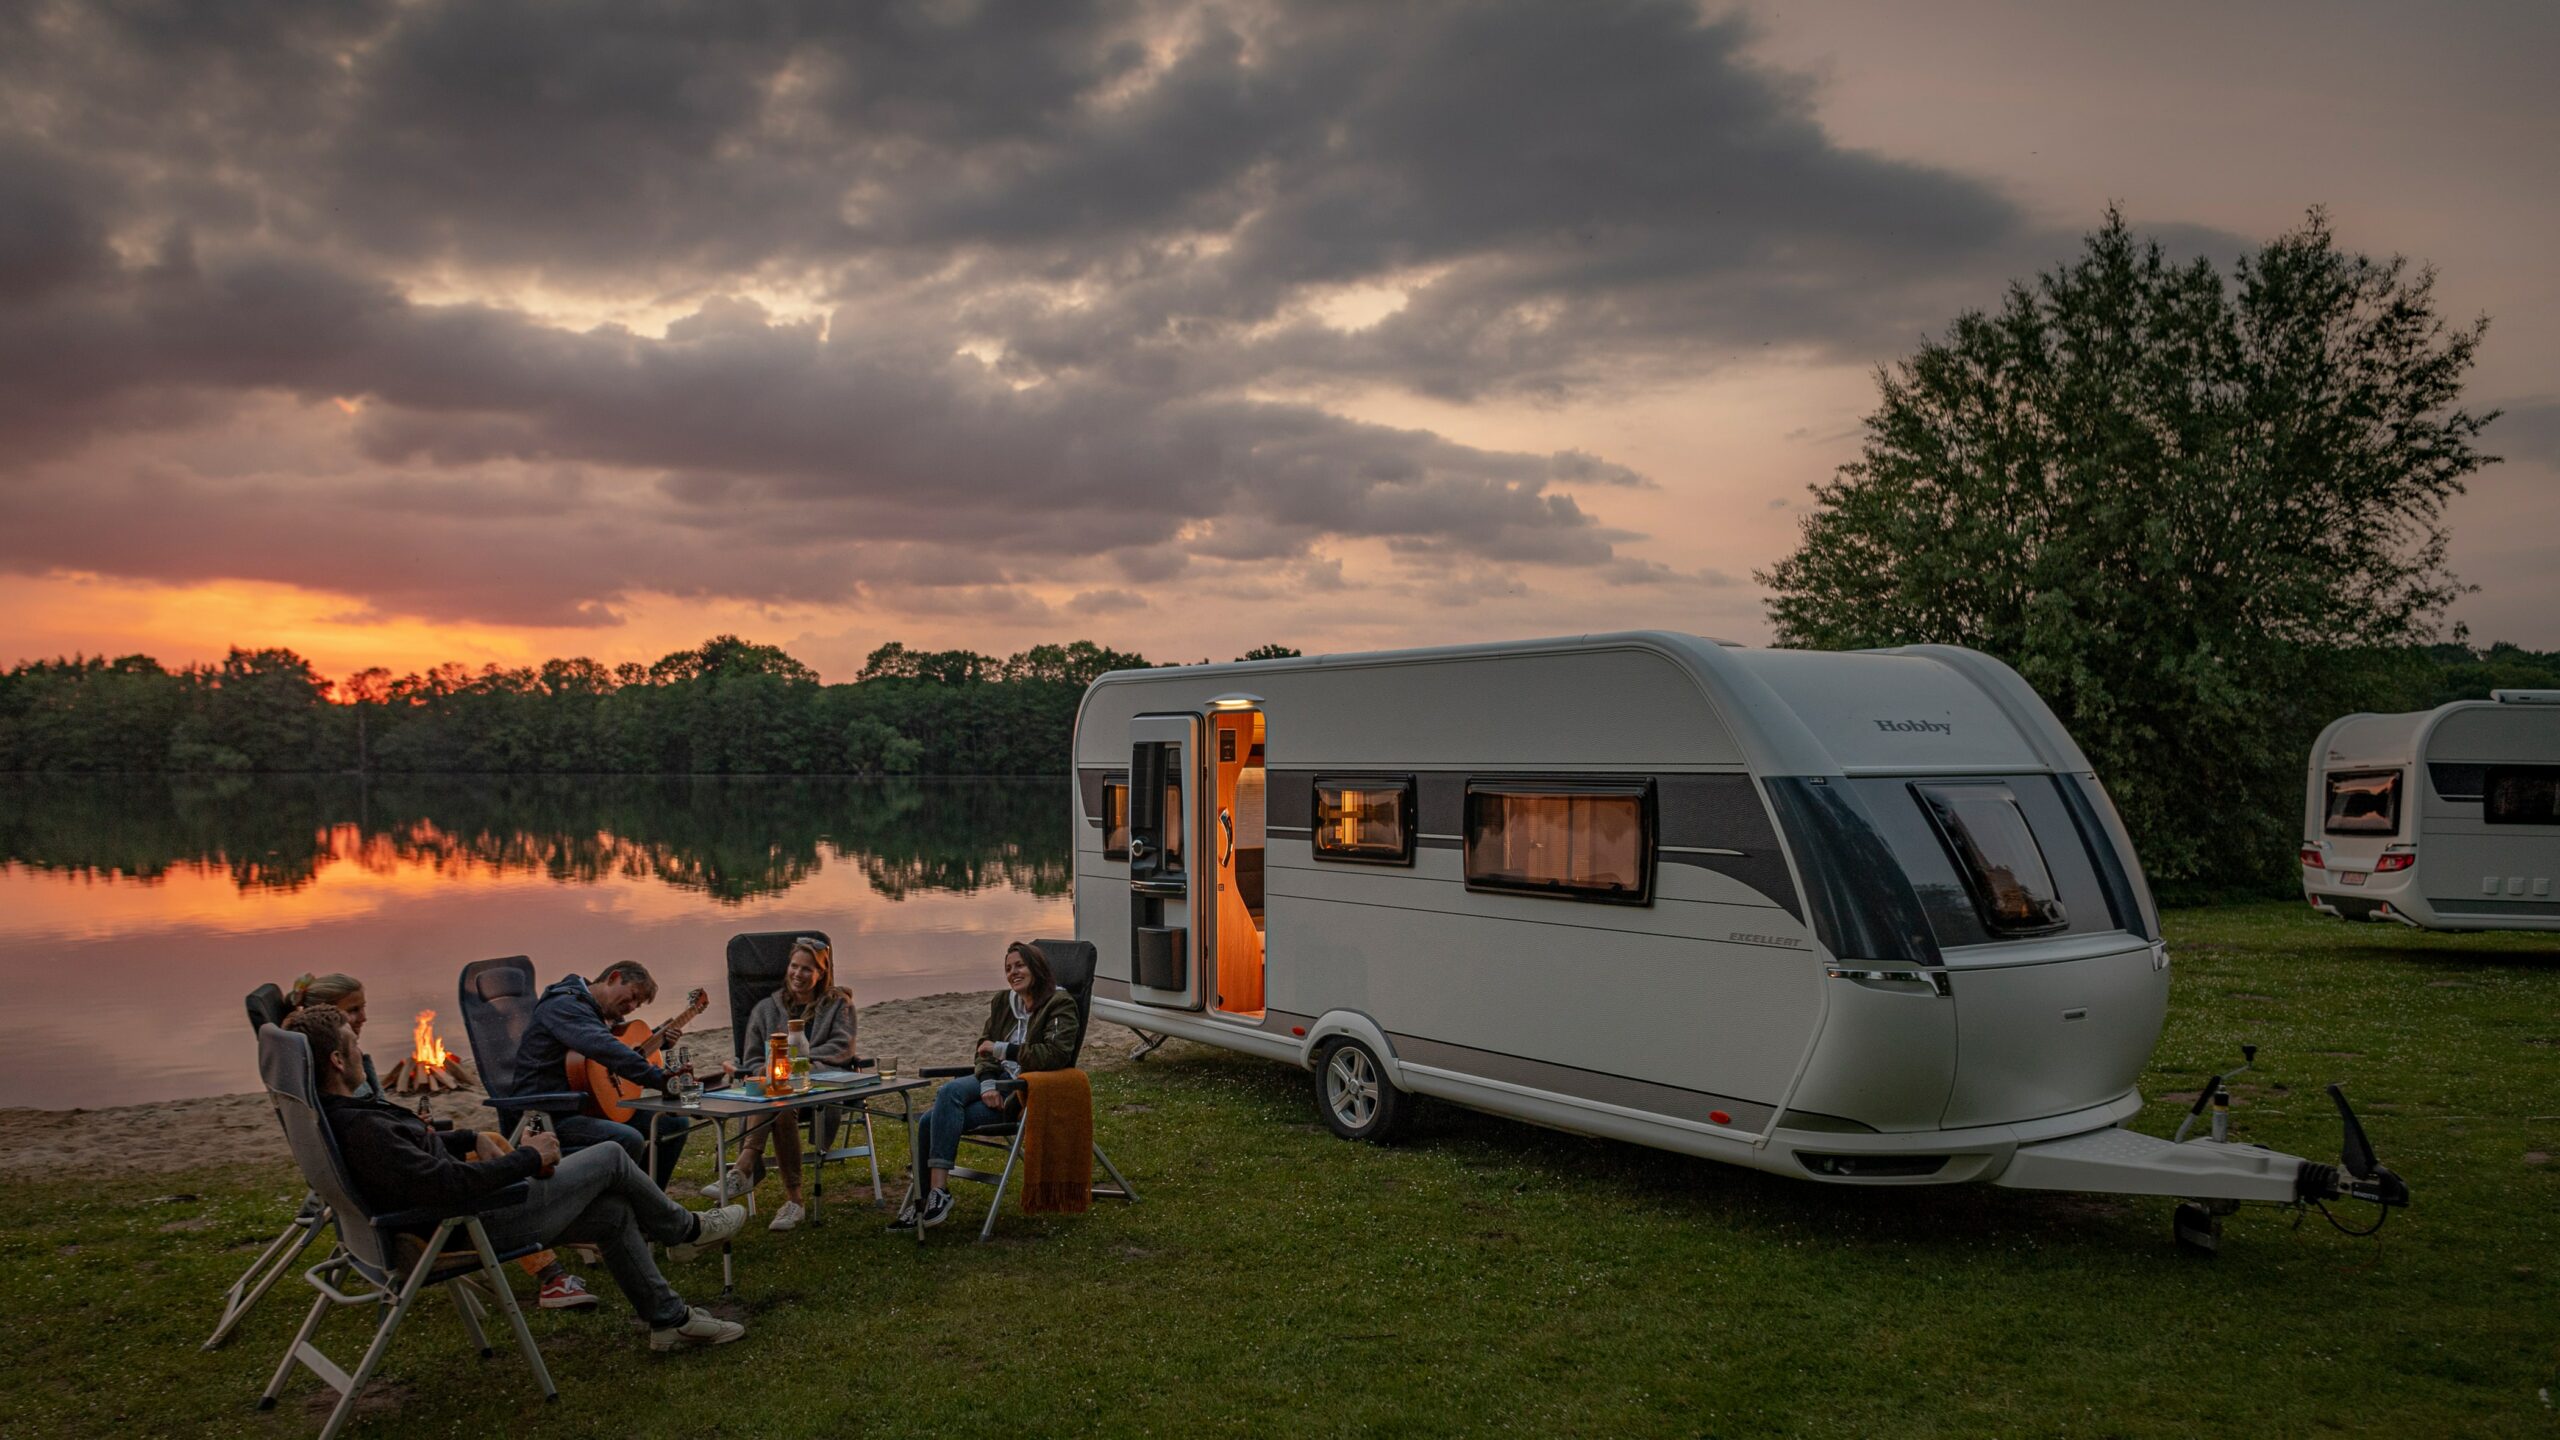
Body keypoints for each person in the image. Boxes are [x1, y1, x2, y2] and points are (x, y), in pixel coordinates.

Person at [284, 1004, 749, 1350]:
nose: (361, 1048)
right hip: (472, 1223)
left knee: (611, 1213)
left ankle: (669, 1322)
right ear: (339, 1062)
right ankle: (686, 1230)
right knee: (609, 1155)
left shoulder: (334, 1116)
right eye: (353, 1042)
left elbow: (417, 1161)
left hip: (456, 1215)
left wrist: (470, 1136)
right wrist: (527, 1157)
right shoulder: (361, 1127)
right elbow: (446, 1186)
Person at [285, 971, 597, 1310]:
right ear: (327, 1021)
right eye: (353, 1011)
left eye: (363, 1008)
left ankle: (553, 1229)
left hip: (399, 1174)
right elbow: (425, 1172)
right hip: (422, 1207)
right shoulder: (348, 1098)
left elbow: (385, 1129)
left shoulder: (315, 1089)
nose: (363, 1018)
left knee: (487, 1138)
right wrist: (526, 1159)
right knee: (592, 1161)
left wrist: (431, 1132)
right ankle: (550, 1251)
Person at [894, 942, 1078, 1230]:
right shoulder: (1004, 1002)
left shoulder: (1060, 1003)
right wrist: (988, 1082)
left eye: (1019, 965)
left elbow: (1056, 1054)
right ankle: (934, 1195)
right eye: (1008, 968)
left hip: (1023, 1089)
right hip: (994, 1081)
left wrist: (1004, 1050)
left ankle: (928, 1198)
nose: (1013, 972)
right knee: (948, 1094)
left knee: (932, 1119)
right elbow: (983, 1048)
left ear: (1036, 967)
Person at [704, 937, 858, 1232]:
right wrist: (772, 1070)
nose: (797, 974)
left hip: (822, 1086)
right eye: (794, 966)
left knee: (776, 1089)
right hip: (778, 1093)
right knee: (778, 1098)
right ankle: (794, 1201)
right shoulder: (765, 1009)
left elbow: (842, 1049)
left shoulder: (839, 1004)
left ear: (821, 974)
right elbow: (750, 1060)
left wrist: (797, 1063)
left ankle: (745, 1167)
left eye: (807, 969)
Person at [505, 960, 693, 1188]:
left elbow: (620, 1050)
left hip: (588, 1104)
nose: (632, 1006)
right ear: (613, 977)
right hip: (548, 1113)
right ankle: (630, 1204)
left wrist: (658, 1042)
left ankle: (649, 1198)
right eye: (632, 995)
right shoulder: (564, 1005)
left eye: (638, 1004)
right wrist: (659, 1078)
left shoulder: (602, 1013)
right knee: (627, 1138)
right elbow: (605, 1049)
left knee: (674, 1124)